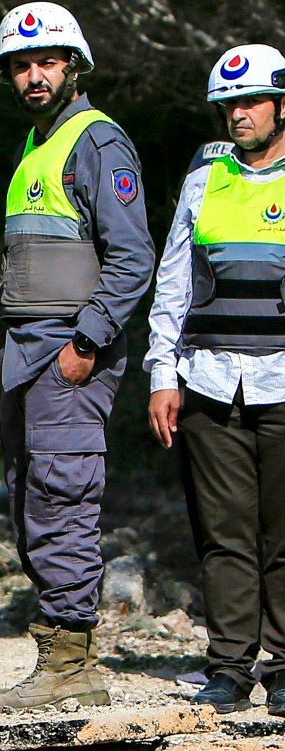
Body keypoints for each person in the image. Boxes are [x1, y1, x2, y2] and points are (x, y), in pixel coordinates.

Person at [0, 2, 154, 709]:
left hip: (65, 353)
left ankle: (71, 667)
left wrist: (87, 343)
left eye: (46, 61)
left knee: (62, 500)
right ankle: (59, 659)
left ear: (73, 66)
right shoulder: (36, 144)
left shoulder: (97, 142)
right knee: (32, 501)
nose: (33, 75)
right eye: (21, 65)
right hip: (28, 355)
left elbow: (132, 256)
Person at [146, 45, 285, 714]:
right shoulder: (206, 179)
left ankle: (283, 665)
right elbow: (173, 281)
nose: (240, 114)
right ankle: (229, 665)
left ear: (281, 106)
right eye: (230, 104)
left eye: (252, 102)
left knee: (283, 533)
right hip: (208, 382)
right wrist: (160, 375)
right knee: (224, 532)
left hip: (283, 385)